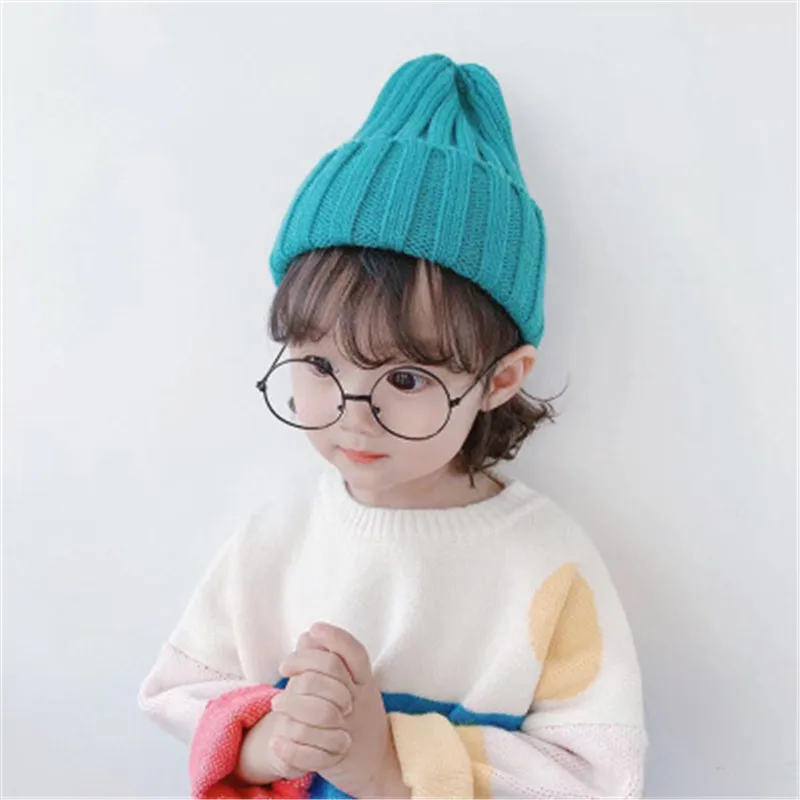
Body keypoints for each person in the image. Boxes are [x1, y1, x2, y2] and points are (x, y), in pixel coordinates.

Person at [138, 53, 648, 799]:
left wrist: (385, 764)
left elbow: (598, 776)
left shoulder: (546, 564)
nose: (352, 412)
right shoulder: (278, 541)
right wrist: (269, 743)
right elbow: (182, 698)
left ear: (500, 380)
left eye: (405, 379)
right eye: (319, 365)